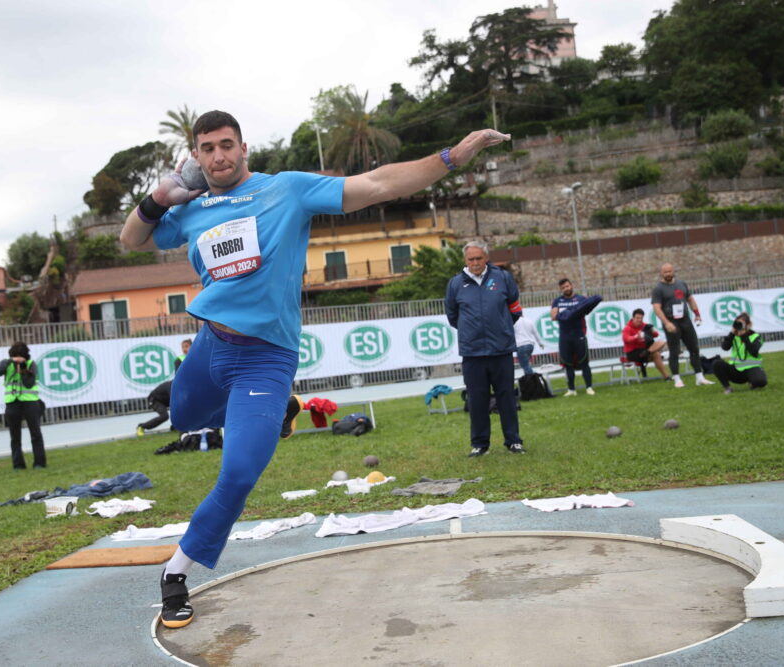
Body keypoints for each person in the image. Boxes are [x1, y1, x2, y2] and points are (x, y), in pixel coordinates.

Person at [119, 110, 510, 629]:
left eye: (227, 145)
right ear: (196, 155)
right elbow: (131, 240)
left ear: (244, 148)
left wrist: (451, 158)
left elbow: (376, 184)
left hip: (265, 358)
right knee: (184, 419)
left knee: (238, 474)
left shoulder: (288, 191)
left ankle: (176, 573)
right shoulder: (192, 208)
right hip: (211, 348)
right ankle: (271, 409)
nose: (219, 156)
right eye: (208, 148)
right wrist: (160, 195)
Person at [445, 241, 525, 457]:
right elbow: (453, 316)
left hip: (501, 350)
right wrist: (470, 331)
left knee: (506, 397)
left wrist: (502, 327)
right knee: (476, 399)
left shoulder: (503, 278)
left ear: (486, 258)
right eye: (471, 259)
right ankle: (480, 444)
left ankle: (513, 441)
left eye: (479, 258)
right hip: (472, 353)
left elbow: (515, 309)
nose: (475, 263)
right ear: (465, 260)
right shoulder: (455, 284)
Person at [650, 263, 713, 388]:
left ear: (674, 271)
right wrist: (666, 323)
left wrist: (697, 314)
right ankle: (677, 379)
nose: (668, 274)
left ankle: (699, 377)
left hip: (685, 320)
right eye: (665, 272)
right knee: (674, 351)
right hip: (671, 322)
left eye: (670, 271)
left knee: (694, 348)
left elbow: (690, 299)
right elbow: (656, 308)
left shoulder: (682, 284)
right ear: (661, 273)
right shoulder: (658, 289)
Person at [0, 342, 46, 469]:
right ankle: (18, 464)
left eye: (20, 356)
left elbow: (29, 384)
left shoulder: (30, 364)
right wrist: (10, 361)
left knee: (35, 434)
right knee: (15, 436)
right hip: (12, 403)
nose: (18, 359)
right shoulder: (7, 364)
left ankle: (39, 463)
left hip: (30, 402)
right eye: (15, 356)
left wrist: (23, 371)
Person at [550, 278, 602, 396]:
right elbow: (553, 316)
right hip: (564, 336)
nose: (566, 289)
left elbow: (588, 309)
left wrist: (575, 312)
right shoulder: (557, 301)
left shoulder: (581, 299)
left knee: (584, 362)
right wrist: (567, 313)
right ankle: (571, 389)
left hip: (579, 335)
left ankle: (589, 387)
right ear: (560, 289)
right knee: (567, 364)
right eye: (563, 288)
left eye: (567, 286)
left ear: (571, 285)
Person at [713, 312, 767, 394]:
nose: (739, 326)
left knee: (761, 381)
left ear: (748, 325)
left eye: (741, 324)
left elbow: (754, 352)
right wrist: (731, 333)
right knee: (717, 363)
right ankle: (727, 388)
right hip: (735, 370)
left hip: (751, 368)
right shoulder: (734, 336)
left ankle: (753, 380)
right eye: (737, 323)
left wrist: (744, 336)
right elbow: (725, 347)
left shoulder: (756, 336)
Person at [621, 308, 670, 380]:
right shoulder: (627, 328)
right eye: (637, 318)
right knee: (656, 353)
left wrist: (652, 330)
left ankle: (667, 377)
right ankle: (667, 376)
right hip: (633, 353)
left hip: (645, 351)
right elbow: (626, 339)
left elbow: (656, 335)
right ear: (633, 318)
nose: (640, 320)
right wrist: (636, 336)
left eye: (641, 318)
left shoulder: (645, 326)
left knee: (661, 343)